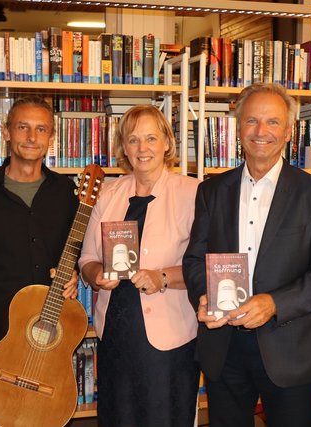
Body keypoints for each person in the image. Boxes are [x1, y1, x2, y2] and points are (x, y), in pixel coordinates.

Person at [182, 83, 311, 427]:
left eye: (272, 122)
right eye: (252, 121)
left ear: (287, 131)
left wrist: (273, 303)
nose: (261, 131)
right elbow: (194, 260)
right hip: (223, 347)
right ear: (238, 129)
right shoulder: (211, 191)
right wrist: (204, 295)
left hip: (290, 348)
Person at [0, 96, 79, 426]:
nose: (31, 137)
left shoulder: (66, 193)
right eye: (23, 127)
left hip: (48, 342)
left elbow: (73, 252)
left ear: (51, 137)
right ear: (6, 132)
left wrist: (74, 273)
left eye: (41, 129)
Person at [79, 105, 200, 426]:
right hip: (116, 331)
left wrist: (163, 277)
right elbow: (87, 260)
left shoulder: (193, 193)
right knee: (119, 417)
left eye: (151, 138)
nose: (142, 148)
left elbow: (206, 266)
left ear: (166, 143)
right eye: (133, 140)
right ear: (123, 148)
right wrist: (96, 276)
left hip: (170, 335)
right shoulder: (107, 193)